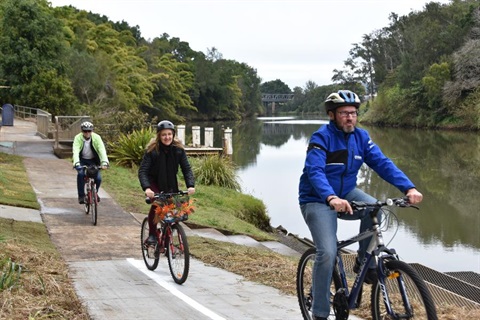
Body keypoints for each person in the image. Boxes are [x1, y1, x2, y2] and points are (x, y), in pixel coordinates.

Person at [298, 90, 423, 320]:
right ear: (332, 115)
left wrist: (409, 188)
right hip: (317, 198)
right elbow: (315, 172)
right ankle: (320, 313)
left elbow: (382, 164)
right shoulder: (320, 138)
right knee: (327, 252)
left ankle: (364, 262)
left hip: (347, 193)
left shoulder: (361, 137)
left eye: (353, 113)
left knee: (375, 208)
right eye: (344, 113)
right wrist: (330, 198)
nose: (350, 118)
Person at [138, 120, 195, 244]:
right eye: (164, 134)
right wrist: (147, 188)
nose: (167, 137)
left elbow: (186, 168)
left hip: (170, 184)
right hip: (154, 183)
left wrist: (190, 185)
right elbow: (143, 171)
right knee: (157, 204)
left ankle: (167, 234)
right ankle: (152, 234)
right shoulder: (152, 151)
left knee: (174, 211)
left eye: (169, 134)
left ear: (173, 135)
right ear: (159, 135)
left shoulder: (178, 150)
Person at [72, 121, 109, 204]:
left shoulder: (97, 137)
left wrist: (104, 162)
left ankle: (95, 192)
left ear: (92, 131)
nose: (87, 133)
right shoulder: (78, 138)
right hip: (82, 160)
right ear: (82, 131)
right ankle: (81, 196)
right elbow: (76, 151)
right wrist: (76, 163)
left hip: (93, 160)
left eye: (89, 131)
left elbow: (101, 149)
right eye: (85, 131)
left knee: (98, 178)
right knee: (81, 175)